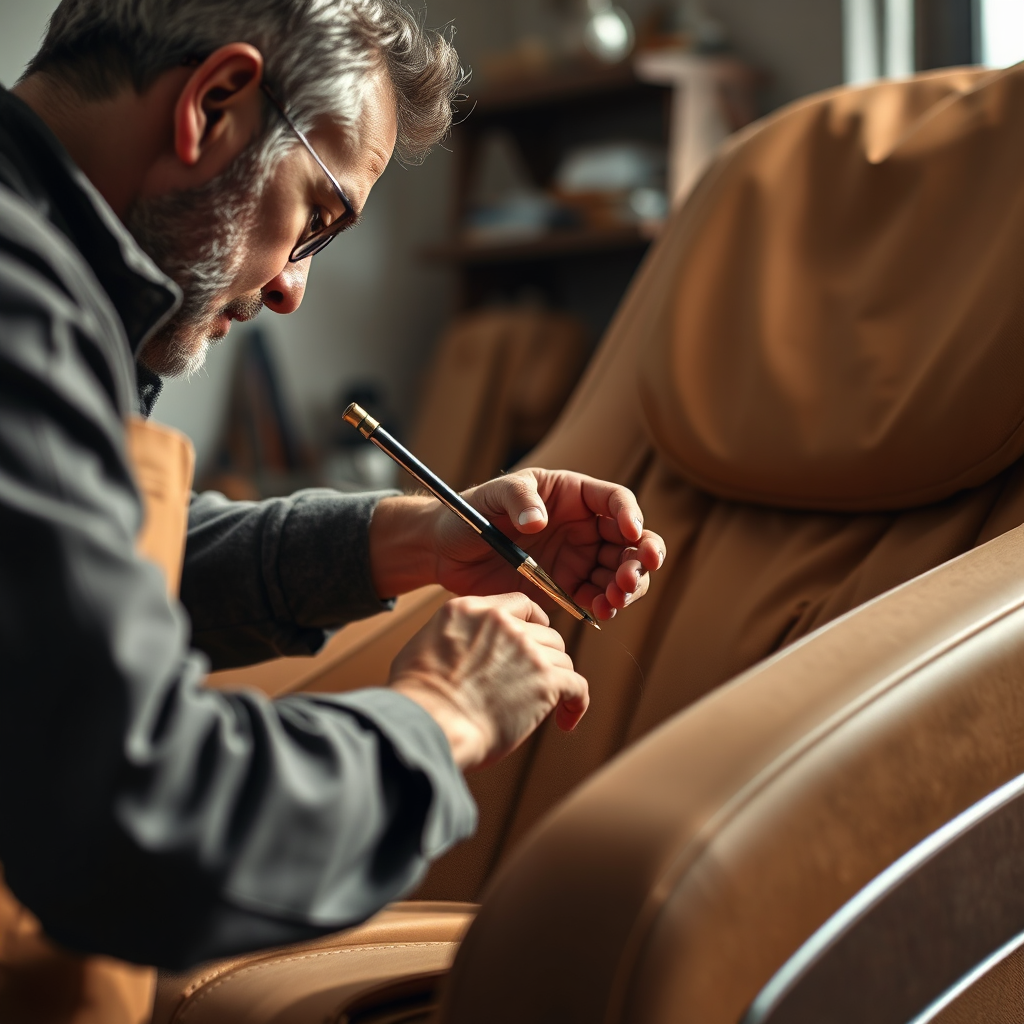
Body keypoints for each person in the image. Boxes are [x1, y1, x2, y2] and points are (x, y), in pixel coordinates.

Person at [0, 0, 667, 975]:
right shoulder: (20, 306)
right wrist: (445, 710)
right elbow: (143, 825)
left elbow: (56, 581)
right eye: (315, 218)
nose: (290, 289)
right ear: (215, 103)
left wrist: (423, 538)